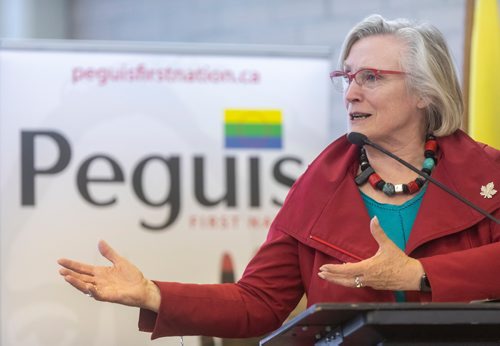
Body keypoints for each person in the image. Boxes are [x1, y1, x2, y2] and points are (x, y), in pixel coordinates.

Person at [58, 14, 500, 340]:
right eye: (346, 77)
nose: (351, 92)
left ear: (425, 91)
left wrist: (419, 273)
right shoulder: (317, 188)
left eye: (370, 77)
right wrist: (153, 293)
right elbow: (259, 303)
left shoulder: (487, 172)